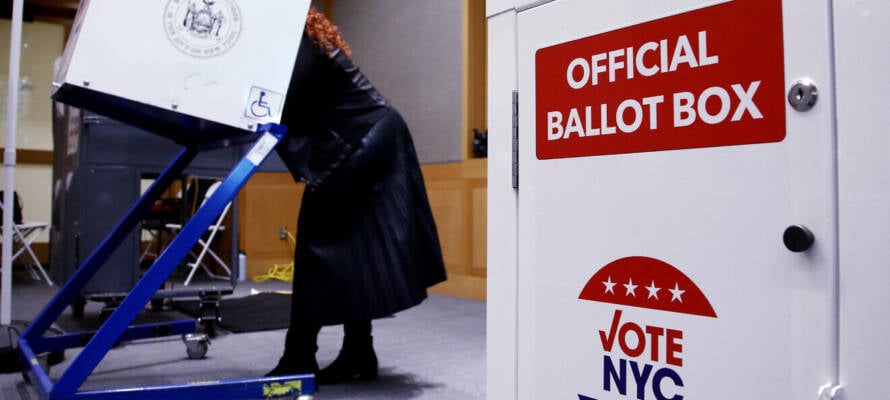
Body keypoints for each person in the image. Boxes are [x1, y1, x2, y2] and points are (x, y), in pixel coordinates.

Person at [265, 7, 447, 385]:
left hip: (361, 139)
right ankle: (358, 352)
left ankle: (299, 356)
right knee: (355, 250)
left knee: (315, 247)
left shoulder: (293, 40)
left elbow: (282, 100)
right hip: (373, 133)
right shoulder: (305, 33)